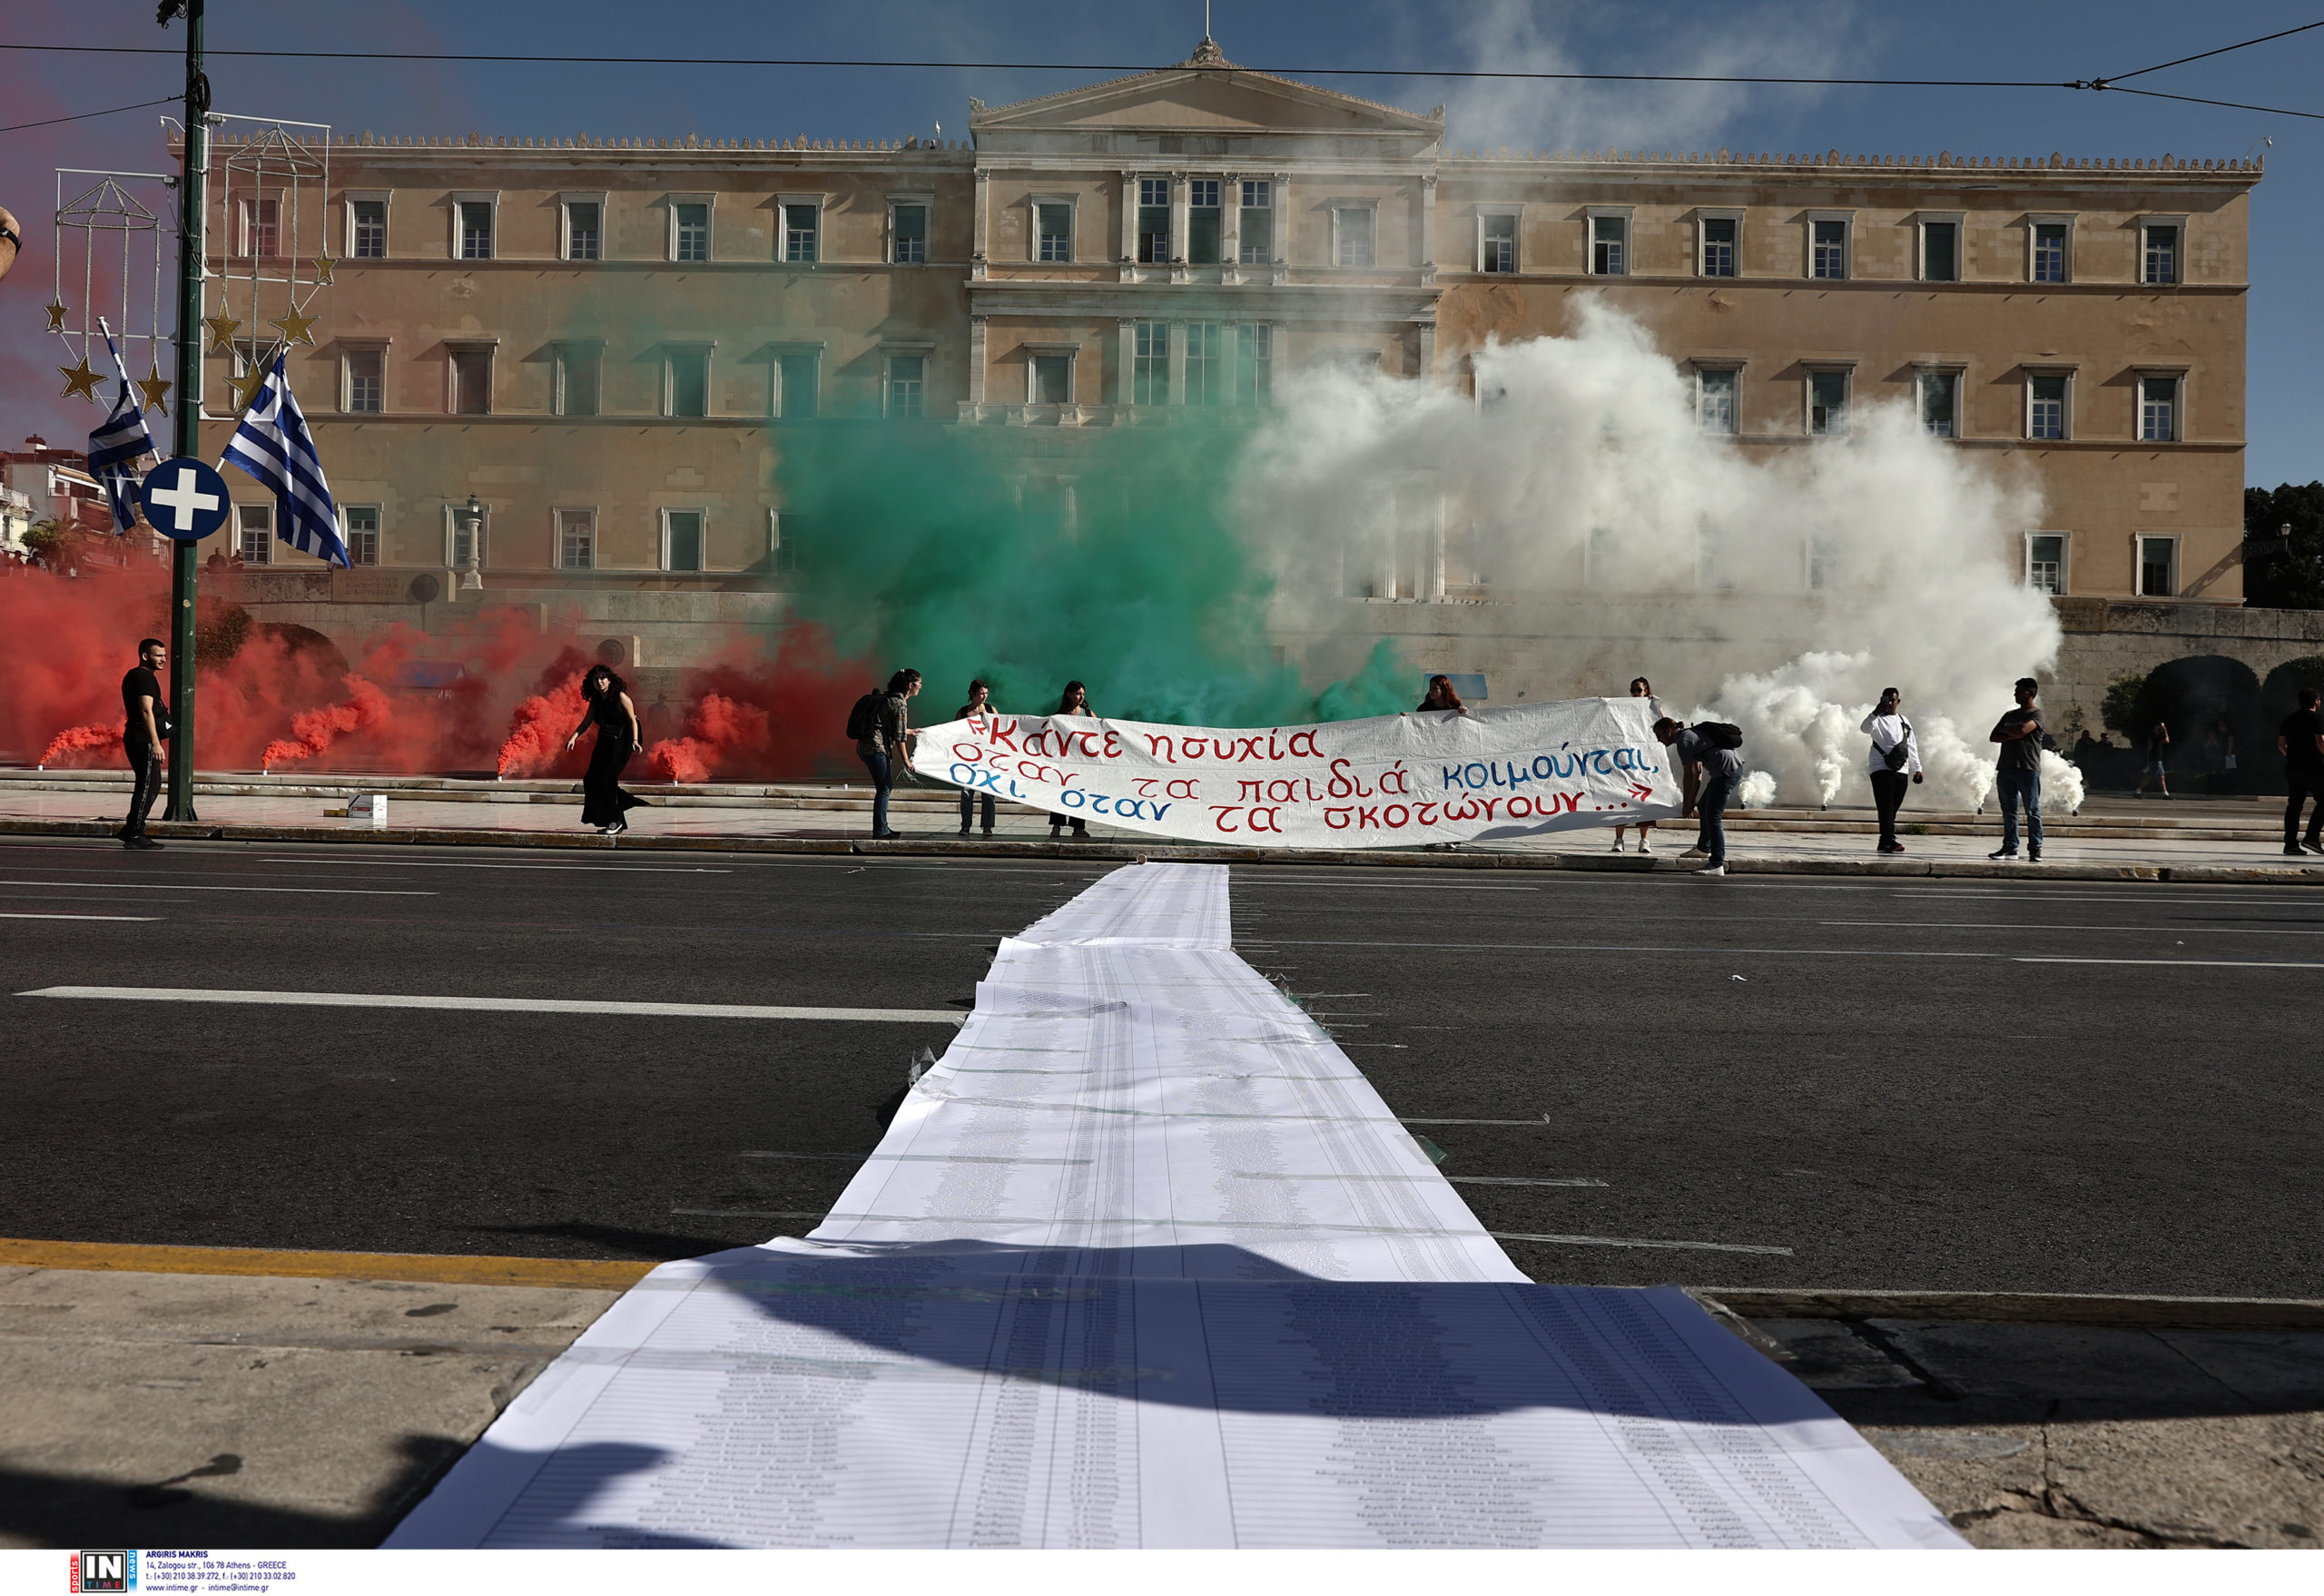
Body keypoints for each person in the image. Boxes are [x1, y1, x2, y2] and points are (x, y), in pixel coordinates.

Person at [563, 665, 647, 834]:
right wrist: (573, 737)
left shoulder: (621, 697)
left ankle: (615, 820)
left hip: (623, 740)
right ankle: (619, 814)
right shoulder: (596, 700)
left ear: (609, 680)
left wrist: (636, 741)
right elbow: (586, 722)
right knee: (591, 779)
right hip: (605, 739)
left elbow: (632, 720)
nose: (599, 681)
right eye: (596, 679)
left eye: (603, 678)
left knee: (607, 779)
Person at [1653, 716, 1740, 876]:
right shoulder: (1688, 735)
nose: (1659, 740)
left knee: (1713, 817)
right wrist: (1691, 802)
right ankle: (1703, 848)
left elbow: (1689, 776)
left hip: (1727, 772)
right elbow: (1698, 774)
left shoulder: (1684, 741)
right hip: (1725, 771)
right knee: (1703, 807)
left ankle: (1716, 864)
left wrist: (1687, 804)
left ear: (1669, 730)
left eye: (1659, 735)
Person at [855, 667, 921, 840]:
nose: (920, 687)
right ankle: (880, 830)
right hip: (877, 748)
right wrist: (907, 760)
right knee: (884, 788)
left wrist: (910, 731)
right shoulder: (899, 703)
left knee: (885, 787)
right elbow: (898, 736)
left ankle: (882, 826)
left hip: (865, 746)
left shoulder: (889, 698)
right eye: (919, 684)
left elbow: (889, 726)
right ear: (910, 685)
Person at [1988, 676, 2048, 862]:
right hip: (2006, 767)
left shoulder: (2037, 714)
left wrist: (2009, 732)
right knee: (2009, 811)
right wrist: (2013, 732)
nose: (2015, 694)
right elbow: (1993, 736)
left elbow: (2022, 730)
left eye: (2019, 691)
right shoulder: (2009, 715)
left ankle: (2035, 848)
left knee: (2032, 810)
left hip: (2028, 768)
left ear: (2030, 693)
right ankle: (2010, 847)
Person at [117, 636, 170, 850]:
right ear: (145, 656)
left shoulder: (135, 676)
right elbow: (146, 710)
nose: (164, 659)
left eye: (165, 655)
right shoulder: (143, 677)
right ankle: (135, 832)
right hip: (143, 737)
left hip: (137, 736)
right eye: (159, 655)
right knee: (149, 785)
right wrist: (156, 743)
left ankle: (132, 828)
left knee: (151, 783)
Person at [1860, 687, 1925, 854]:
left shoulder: (1904, 720)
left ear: (1898, 702)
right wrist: (1875, 712)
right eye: (1886, 700)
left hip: (1901, 768)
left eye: (1892, 700)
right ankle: (1889, 840)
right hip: (1880, 766)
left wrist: (1917, 767)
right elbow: (1864, 728)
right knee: (1886, 805)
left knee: (1893, 806)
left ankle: (1885, 840)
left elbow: (1911, 745)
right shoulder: (1876, 719)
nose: (1889, 703)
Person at [1612, 676, 1662, 854]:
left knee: (1644, 801)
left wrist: (1655, 706)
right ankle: (1619, 839)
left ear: (1646, 690)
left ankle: (1645, 840)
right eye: (1632, 690)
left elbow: (1663, 727)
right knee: (1623, 800)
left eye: (1638, 690)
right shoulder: (1625, 708)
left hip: (1645, 762)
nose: (1635, 694)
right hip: (1627, 760)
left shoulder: (1651, 707)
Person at [2279, 686, 2324, 857]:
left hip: (2293, 767)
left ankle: (2290, 844)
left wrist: (2292, 756)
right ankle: (2312, 837)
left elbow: (2281, 745)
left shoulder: (2289, 719)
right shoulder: (2316, 718)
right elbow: (2321, 742)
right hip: (2312, 767)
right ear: (2316, 701)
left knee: (2294, 805)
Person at [1049, 681, 1094, 840]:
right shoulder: (1059, 716)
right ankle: (1057, 825)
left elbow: (1099, 735)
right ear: (1068, 694)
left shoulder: (1088, 715)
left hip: (1081, 763)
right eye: (1077, 693)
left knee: (1080, 794)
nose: (1081, 697)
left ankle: (1078, 827)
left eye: (1083, 694)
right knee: (1059, 793)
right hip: (1063, 762)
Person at [957, 678, 998, 837]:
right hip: (967, 759)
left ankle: (987, 826)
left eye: (986, 693)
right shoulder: (963, 712)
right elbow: (954, 733)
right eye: (981, 694)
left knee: (988, 794)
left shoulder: (990, 709)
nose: (984, 697)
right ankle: (965, 825)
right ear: (972, 693)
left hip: (987, 758)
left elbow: (999, 731)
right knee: (967, 794)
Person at [2133, 719, 2171, 798]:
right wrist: (2165, 731)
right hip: (2155, 759)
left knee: (2162, 777)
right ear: (2156, 726)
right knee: (2150, 777)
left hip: (2159, 759)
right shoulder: (2153, 735)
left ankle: (2165, 794)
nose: (2162, 728)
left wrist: (2164, 731)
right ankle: (2137, 792)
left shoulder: (2159, 735)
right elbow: (2167, 741)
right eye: (2161, 726)